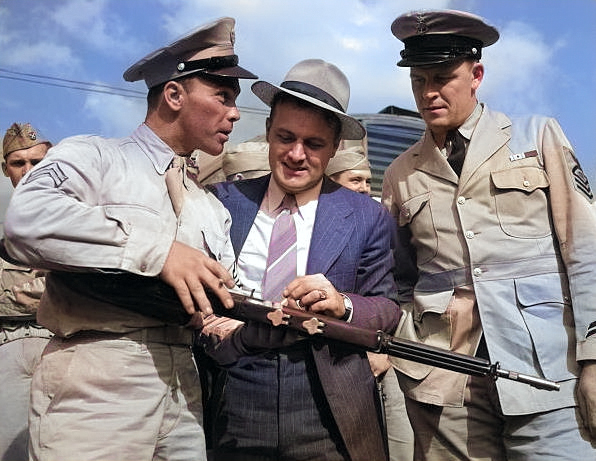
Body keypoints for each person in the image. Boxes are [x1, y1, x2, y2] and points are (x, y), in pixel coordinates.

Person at [2, 17, 257, 461]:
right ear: (174, 95)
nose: (235, 113)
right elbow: (26, 218)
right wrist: (157, 251)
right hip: (95, 382)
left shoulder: (210, 208)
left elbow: (219, 296)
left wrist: (252, 316)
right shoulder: (95, 157)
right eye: (223, 96)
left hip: (183, 388)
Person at [382, 9, 596, 461]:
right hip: (445, 381)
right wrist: (411, 353)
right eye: (419, 80)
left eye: (443, 77)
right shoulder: (401, 173)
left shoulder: (537, 136)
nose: (429, 92)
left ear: (476, 74)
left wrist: (593, 358)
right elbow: (400, 278)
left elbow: (586, 250)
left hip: (548, 372)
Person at [199, 58, 400, 461]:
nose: (295, 154)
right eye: (285, 137)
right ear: (269, 132)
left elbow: (387, 308)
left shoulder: (367, 216)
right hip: (231, 392)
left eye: (313, 144)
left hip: (329, 401)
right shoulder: (221, 203)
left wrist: (342, 304)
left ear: (336, 148)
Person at [326, 136, 415, 461]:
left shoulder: (379, 222)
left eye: (367, 180)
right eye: (355, 180)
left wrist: (385, 347)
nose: (364, 187)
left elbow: (400, 286)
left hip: (383, 354)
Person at [0, 122, 53, 461]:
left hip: (69, 346)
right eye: (19, 163)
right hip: (9, 348)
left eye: (38, 162)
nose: (29, 171)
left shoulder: (86, 215)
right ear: (6, 169)